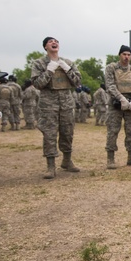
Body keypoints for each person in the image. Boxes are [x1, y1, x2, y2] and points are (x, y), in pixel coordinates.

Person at [31, 37, 82, 179]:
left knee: (67, 132)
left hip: (66, 103)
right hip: (48, 104)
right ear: (45, 47)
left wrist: (67, 68)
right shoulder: (39, 63)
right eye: (50, 42)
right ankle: (51, 166)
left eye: (56, 41)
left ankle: (67, 161)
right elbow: (38, 84)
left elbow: (77, 81)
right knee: (49, 134)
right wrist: (49, 70)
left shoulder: (68, 62)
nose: (54, 43)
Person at [104, 45, 131, 169]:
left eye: (129, 55)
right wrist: (121, 98)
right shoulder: (111, 68)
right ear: (119, 55)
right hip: (116, 104)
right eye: (124, 54)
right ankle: (110, 159)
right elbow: (110, 85)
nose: (126, 57)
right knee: (113, 131)